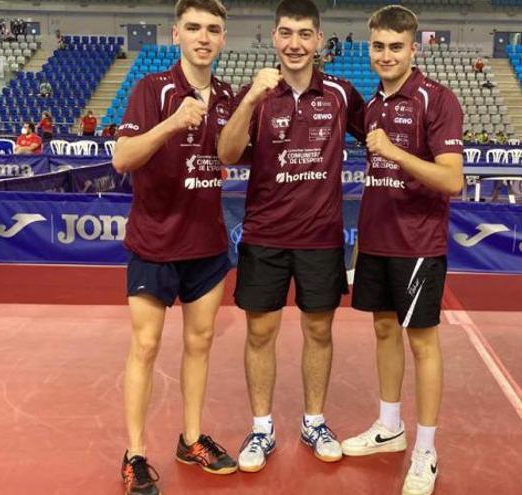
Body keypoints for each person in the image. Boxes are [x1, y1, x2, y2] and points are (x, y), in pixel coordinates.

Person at [217, 0, 365, 474]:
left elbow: (380, 136)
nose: (295, 43)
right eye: (286, 33)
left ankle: (314, 421)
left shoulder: (342, 93)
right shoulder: (256, 94)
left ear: (319, 40)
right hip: (264, 235)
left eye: (305, 34)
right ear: (273, 38)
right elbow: (226, 153)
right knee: (260, 332)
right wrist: (249, 101)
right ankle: (262, 427)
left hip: (321, 237)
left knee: (318, 331)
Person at [112, 1, 238, 494]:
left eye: (212, 29)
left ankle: (190, 438)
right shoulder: (151, 89)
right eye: (193, 28)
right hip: (155, 241)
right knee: (145, 347)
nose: (203, 37)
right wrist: (171, 124)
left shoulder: (228, 96)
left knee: (200, 343)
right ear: (176, 35)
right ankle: (136, 453)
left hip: (206, 244)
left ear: (223, 38)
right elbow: (123, 157)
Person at [341, 7, 463, 495]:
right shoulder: (370, 105)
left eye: (396, 46)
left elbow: (452, 179)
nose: (386, 55)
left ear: (414, 48)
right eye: (378, 46)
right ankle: (389, 427)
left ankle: (426, 449)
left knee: (422, 342)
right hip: (375, 238)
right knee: (383, 328)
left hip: (418, 243)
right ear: (368, 48)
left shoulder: (438, 99)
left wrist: (394, 153)